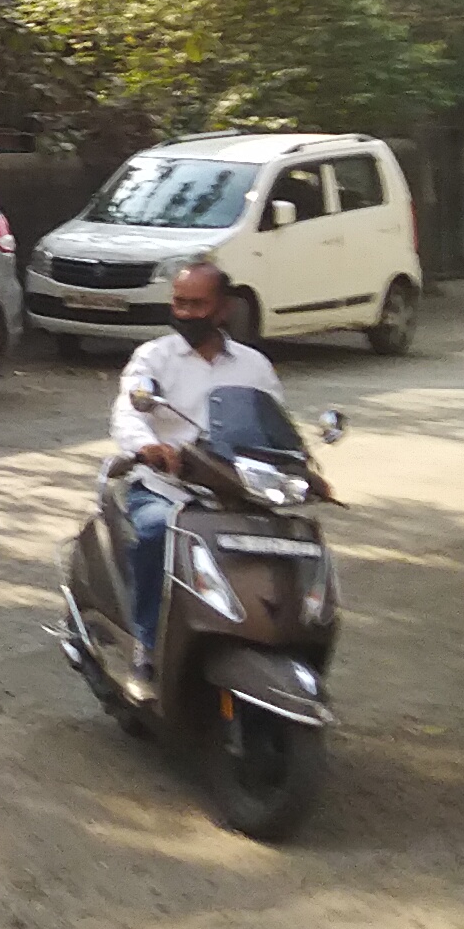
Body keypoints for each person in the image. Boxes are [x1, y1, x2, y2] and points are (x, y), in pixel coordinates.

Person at [108, 263, 290, 662]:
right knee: (156, 531)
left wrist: (302, 467)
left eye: (197, 304)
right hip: (168, 488)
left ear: (223, 309)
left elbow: (276, 426)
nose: (186, 313)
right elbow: (129, 411)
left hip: (238, 492)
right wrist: (148, 446)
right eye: (180, 303)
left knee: (287, 540)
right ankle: (148, 643)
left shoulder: (254, 365)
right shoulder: (153, 357)